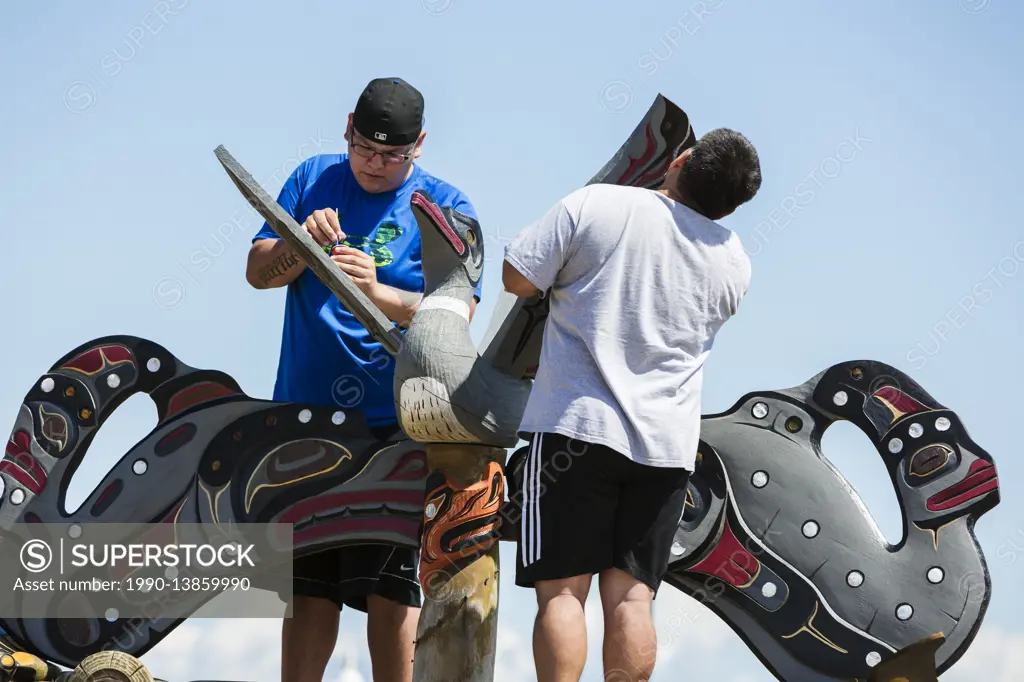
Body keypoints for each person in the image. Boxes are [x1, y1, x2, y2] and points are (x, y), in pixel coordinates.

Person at [501, 128, 762, 682]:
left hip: (576, 426)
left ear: (682, 160)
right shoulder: (734, 261)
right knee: (632, 602)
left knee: (562, 595)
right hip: (665, 448)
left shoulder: (600, 204)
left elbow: (517, 279)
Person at [245, 76, 483, 682]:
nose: (375, 165)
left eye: (392, 155)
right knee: (307, 587)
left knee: (390, 586)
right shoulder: (312, 178)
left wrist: (376, 292)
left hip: (397, 423)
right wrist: (303, 248)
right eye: (364, 149)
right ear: (347, 126)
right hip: (302, 421)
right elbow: (258, 273)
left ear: (420, 145)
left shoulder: (447, 206)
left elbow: (458, 315)